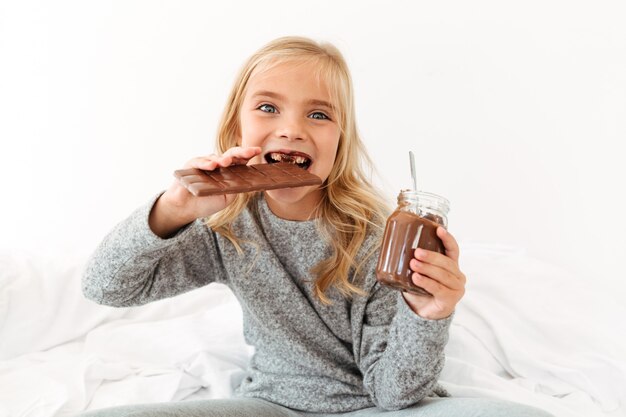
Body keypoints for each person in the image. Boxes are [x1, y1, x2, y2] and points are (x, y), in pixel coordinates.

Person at [79, 36, 552, 417]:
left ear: (340, 141)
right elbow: (106, 287)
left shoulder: (377, 239)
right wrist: (174, 209)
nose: (291, 129)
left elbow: (394, 393)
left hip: (368, 407)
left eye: (319, 114)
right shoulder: (224, 226)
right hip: (268, 405)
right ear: (236, 127)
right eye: (267, 108)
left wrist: (427, 315)